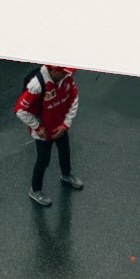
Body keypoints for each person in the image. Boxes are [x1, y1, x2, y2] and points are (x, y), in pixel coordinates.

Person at [15, 65, 83, 206]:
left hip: (60, 126)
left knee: (65, 151)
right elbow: (20, 110)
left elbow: (74, 98)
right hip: (44, 131)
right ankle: (35, 190)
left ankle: (66, 175)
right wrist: (37, 127)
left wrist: (65, 125)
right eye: (63, 72)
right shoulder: (37, 85)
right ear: (54, 71)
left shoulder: (67, 77)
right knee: (43, 160)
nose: (67, 75)